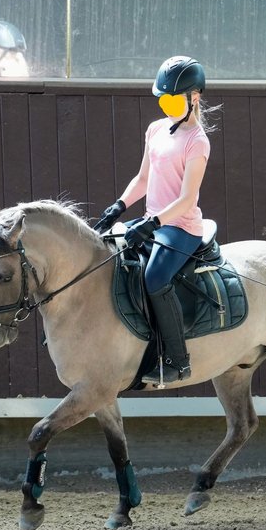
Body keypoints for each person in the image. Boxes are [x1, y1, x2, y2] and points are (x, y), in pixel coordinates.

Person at [91, 55, 215, 387]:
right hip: (153, 220)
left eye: (173, 100)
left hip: (181, 227)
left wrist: (153, 222)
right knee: (108, 248)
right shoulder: (156, 130)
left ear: (194, 98)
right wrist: (118, 206)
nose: (166, 106)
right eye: (163, 99)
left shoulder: (197, 142)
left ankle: (178, 359)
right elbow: (143, 178)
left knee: (156, 277)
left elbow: (187, 199)